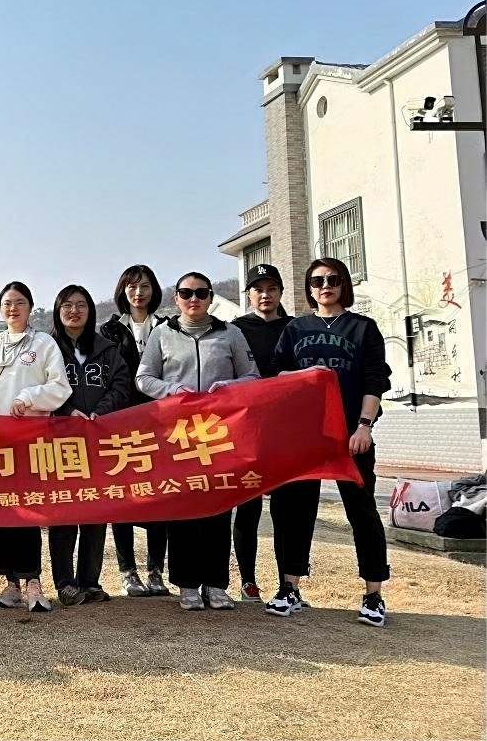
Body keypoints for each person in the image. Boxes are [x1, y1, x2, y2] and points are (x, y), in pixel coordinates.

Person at [270, 257, 392, 627]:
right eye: (318, 280)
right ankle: (289, 587)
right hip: (306, 436)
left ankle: (373, 593)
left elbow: (375, 380)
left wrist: (364, 425)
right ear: (309, 288)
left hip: (351, 435)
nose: (325, 286)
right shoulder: (295, 328)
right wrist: (303, 375)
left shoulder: (363, 328)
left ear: (344, 285)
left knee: (362, 511)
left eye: (333, 279)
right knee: (297, 510)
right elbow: (277, 377)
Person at [136, 271, 260, 611]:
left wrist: (229, 388)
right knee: (183, 508)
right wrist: (172, 389)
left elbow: (252, 377)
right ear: (175, 298)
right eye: (186, 293)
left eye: (201, 293)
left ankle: (216, 584)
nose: (194, 299)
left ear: (210, 298)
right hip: (178, 435)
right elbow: (143, 378)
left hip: (220, 435)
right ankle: (187, 584)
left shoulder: (230, 333)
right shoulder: (162, 334)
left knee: (218, 508)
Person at [0, 281, 70, 613]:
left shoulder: (44, 343)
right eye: (7, 303)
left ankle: (33, 580)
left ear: (30, 307)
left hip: (29, 439)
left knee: (26, 508)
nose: (13, 308)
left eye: (19, 302)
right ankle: (10, 582)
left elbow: (60, 386)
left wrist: (29, 397)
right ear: (0, 308)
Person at [47, 285, 134, 606]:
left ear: (90, 310)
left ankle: (90, 581)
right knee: (63, 511)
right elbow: (39, 385)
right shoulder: (47, 347)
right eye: (67, 305)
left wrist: (101, 411)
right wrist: (67, 411)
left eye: (81, 305)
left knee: (96, 511)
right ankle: (64, 583)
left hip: (99, 439)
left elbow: (122, 384)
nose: (74, 311)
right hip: (60, 441)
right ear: (58, 311)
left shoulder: (107, 349)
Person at [99, 264, 171, 598]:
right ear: (123, 291)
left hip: (160, 423)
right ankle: (128, 571)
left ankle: (155, 570)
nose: (138, 293)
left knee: (161, 495)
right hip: (123, 423)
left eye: (144, 286)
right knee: (122, 497)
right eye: (131, 286)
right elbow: (109, 377)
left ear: (153, 290)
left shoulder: (168, 327)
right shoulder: (110, 331)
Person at [229, 263, 291, 603]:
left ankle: (288, 582)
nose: (265, 295)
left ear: (280, 292)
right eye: (258, 289)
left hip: (284, 431)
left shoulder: (295, 328)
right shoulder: (236, 330)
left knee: (285, 509)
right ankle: (248, 581)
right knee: (248, 505)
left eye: (271, 289)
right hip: (248, 430)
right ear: (249, 294)